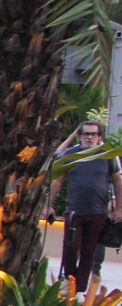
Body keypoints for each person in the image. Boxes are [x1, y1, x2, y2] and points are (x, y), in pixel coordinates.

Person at [46, 120, 122, 288]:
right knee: (71, 248)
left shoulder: (108, 155)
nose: (90, 137)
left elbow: (118, 181)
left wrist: (119, 208)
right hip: (74, 211)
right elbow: (57, 181)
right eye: (86, 133)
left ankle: (80, 288)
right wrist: (48, 205)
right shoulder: (70, 154)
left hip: (98, 212)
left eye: (94, 134)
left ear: (99, 136)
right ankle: (69, 280)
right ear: (79, 136)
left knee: (89, 252)